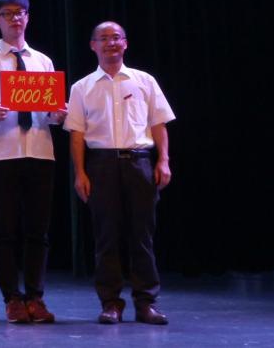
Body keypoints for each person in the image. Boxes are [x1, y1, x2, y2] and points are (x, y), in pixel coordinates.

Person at [0, 0, 67, 323]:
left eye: (20, 12)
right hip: (3, 153)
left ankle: (35, 297)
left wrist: (58, 114)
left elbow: (51, 110)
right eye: (8, 14)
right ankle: (12, 298)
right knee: (5, 229)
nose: (15, 19)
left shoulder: (42, 61)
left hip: (40, 151)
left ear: (28, 17)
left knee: (38, 230)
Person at [65, 20, 176, 326]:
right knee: (106, 237)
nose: (110, 43)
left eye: (116, 37)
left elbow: (158, 123)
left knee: (142, 235)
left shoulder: (144, 81)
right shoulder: (82, 87)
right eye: (103, 38)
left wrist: (163, 160)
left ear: (125, 43)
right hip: (101, 164)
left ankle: (146, 302)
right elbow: (77, 134)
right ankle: (111, 303)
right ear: (93, 46)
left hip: (139, 162)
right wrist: (80, 173)